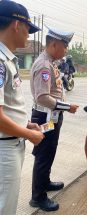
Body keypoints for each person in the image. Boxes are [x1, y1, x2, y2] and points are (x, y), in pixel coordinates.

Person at [0, 1, 44, 214]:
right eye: (28, 29)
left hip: (10, 142)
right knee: (5, 207)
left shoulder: (7, 59)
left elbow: (6, 106)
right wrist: (28, 133)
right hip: (4, 148)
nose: (29, 35)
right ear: (16, 25)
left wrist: (24, 124)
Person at [29, 27, 79, 211]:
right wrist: (67, 107)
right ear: (54, 44)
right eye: (65, 46)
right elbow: (42, 97)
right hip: (44, 116)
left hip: (52, 116)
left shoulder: (50, 62)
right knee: (43, 155)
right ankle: (38, 197)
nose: (66, 50)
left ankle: (45, 182)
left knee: (48, 152)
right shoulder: (44, 65)